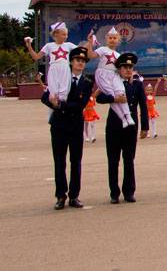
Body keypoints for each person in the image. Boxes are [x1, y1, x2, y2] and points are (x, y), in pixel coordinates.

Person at [41, 46, 93, 210]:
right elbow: (45, 96)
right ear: (71, 61)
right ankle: (60, 195)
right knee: (59, 161)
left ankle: (74, 195)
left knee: (76, 161)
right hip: (59, 125)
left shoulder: (87, 81)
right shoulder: (60, 76)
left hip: (76, 125)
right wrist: (52, 102)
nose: (80, 63)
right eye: (77, 60)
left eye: (83, 61)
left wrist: (60, 105)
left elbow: (80, 105)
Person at [96, 52, 148, 203]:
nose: (128, 70)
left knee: (129, 160)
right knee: (113, 160)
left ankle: (129, 191)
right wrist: (113, 98)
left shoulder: (137, 84)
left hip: (131, 127)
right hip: (114, 125)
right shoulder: (111, 81)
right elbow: (98, 97)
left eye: (130, 67)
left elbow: (143, 106)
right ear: (118, 69)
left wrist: (145, 126)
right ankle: (114, 193)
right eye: (125, 67)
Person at [85, 27, 136, 128]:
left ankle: (128, 115)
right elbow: (90, 55)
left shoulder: (118, 55)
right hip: (103, 75)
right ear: (106, 39)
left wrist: (130, 76)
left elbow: (121, 71)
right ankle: (123, 118)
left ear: (118, 40)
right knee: (112, 97)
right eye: (110, 38)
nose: (112, 40)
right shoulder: (103, 49)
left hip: (114, 75)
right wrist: (90, 43)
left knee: (121, 92)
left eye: (114, 38)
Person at [25, 22, 78, 105]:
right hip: (53, 69)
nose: (66, 37)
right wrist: (29, 46)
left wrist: (89, 42)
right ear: (56, 34)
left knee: (63, 94)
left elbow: (82, 50)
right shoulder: (49, 46)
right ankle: (55, 110)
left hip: (65, 69)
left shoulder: (69, 45)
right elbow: (36, 57)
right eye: (63, 34)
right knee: (53, 94)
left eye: (66, 35)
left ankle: (62, 111)